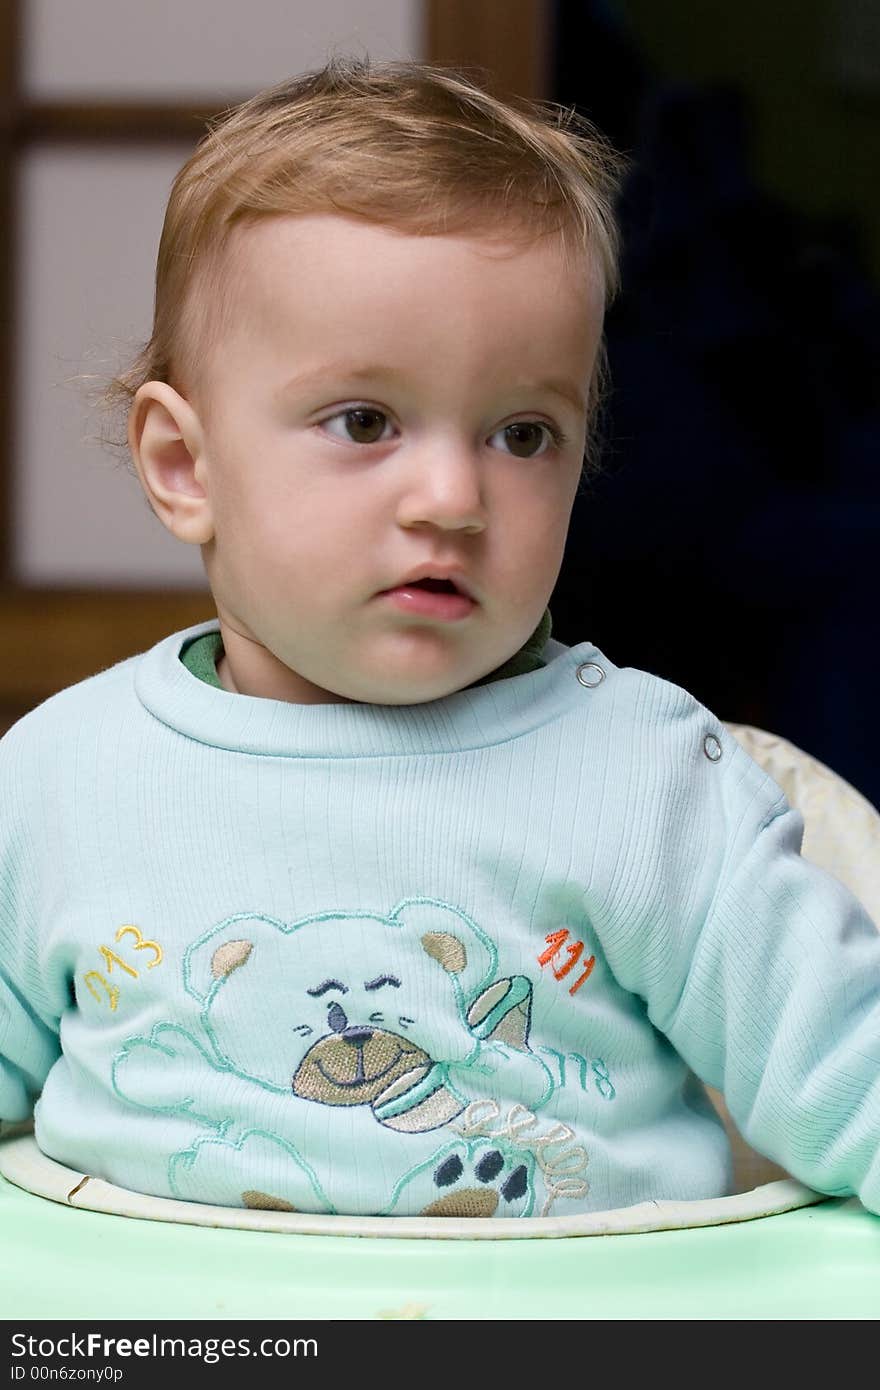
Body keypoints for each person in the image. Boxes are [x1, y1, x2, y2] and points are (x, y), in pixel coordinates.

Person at [1, 56, 879, 1222]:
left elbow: (854, 1085)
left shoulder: (651, 786)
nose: (453, 497)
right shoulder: (62, 781)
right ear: (184, 466)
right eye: (364, 420)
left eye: (524, 433)